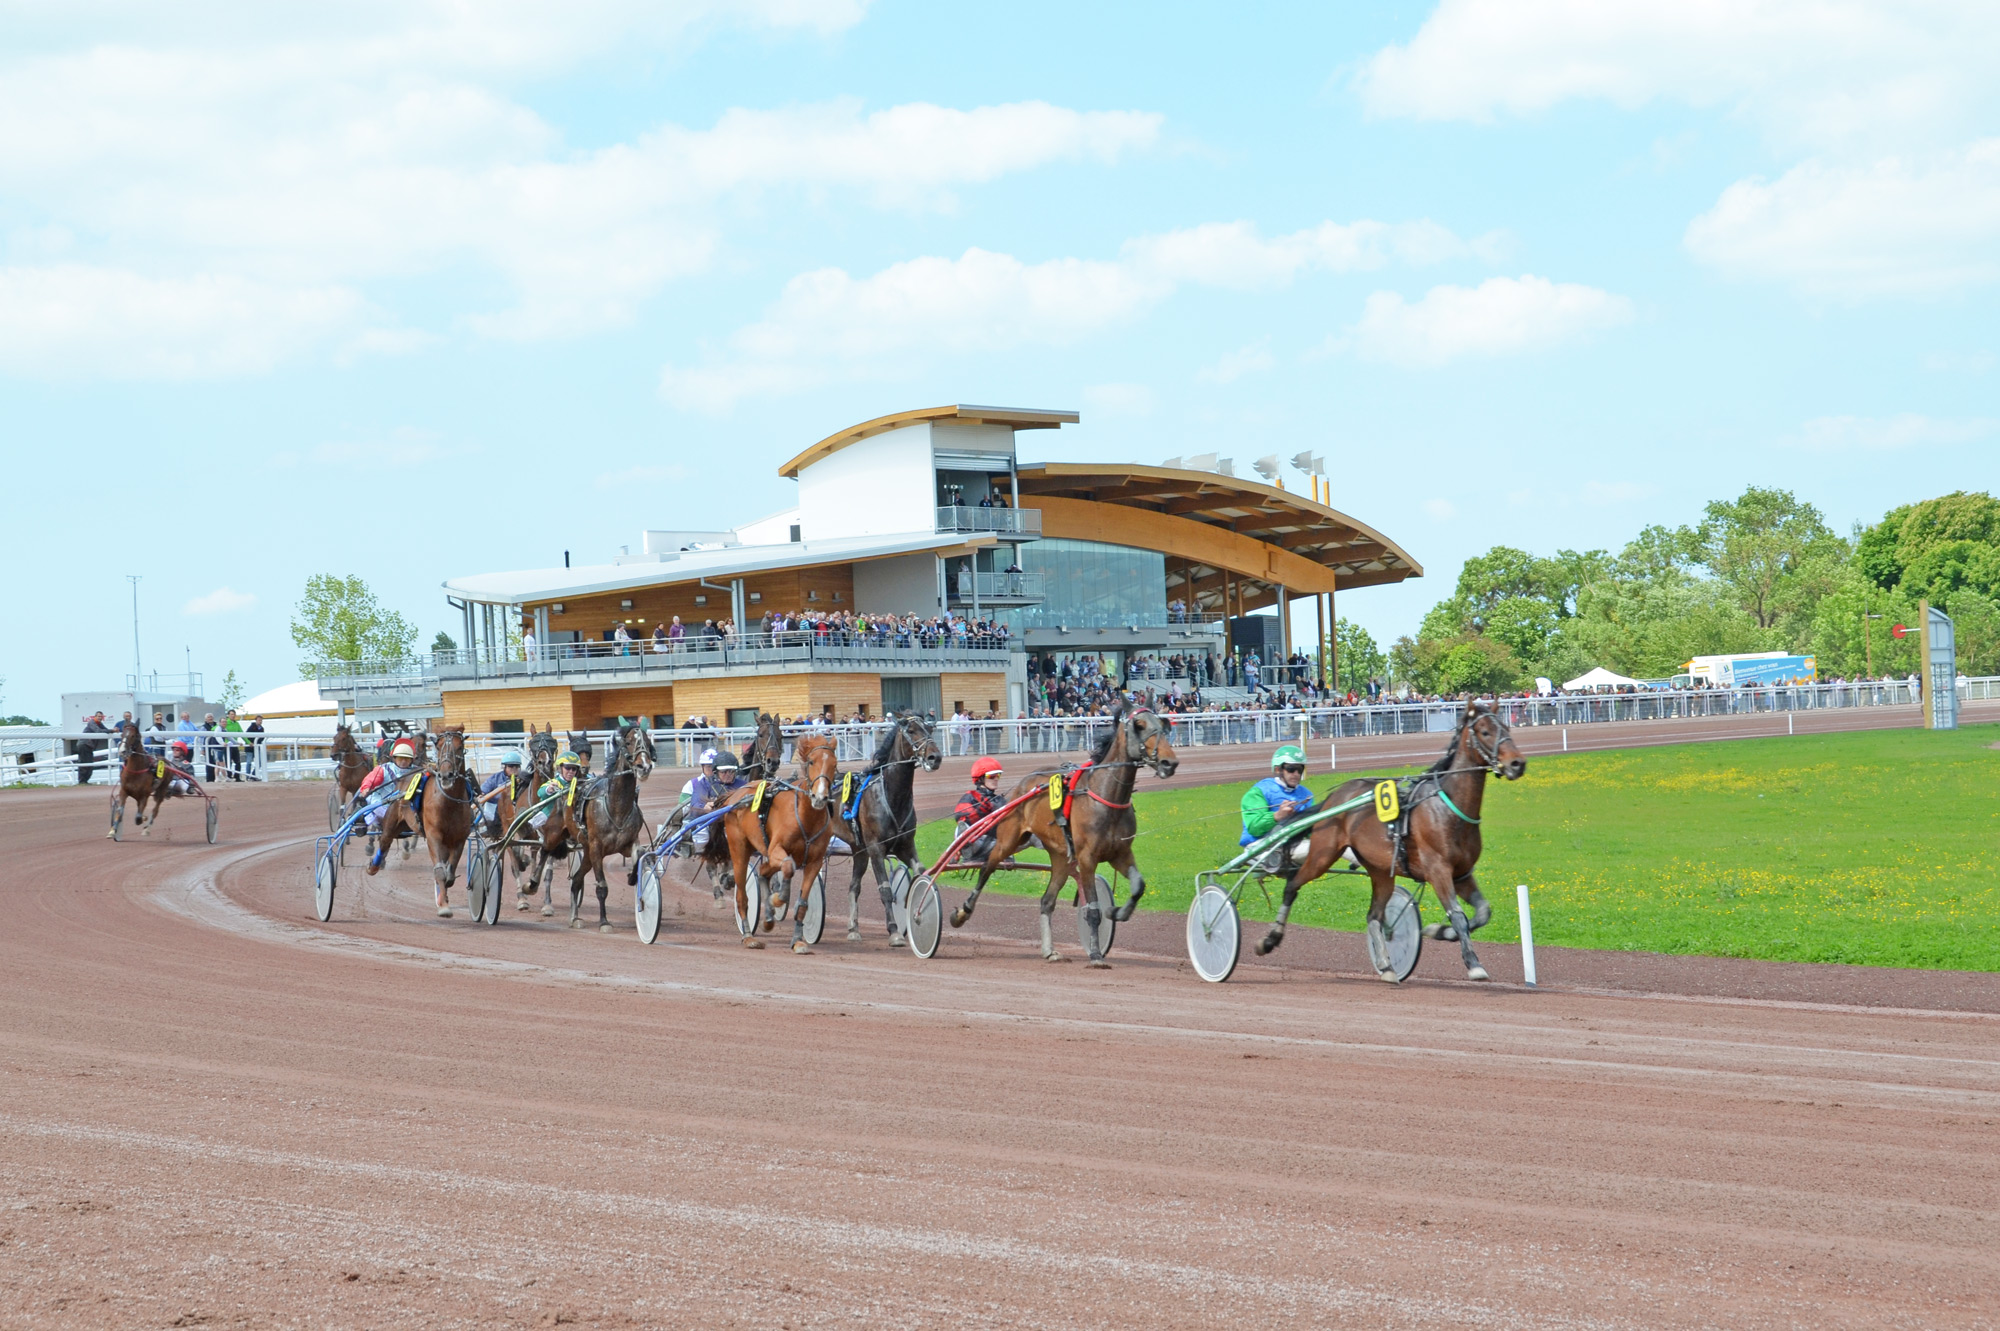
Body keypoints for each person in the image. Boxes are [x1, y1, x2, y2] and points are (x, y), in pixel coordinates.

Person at [1239, 745, 1316, 869]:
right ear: (1278, 769)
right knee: (1320, 847)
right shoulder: (1259, 791)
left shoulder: (1306, 795)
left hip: (1292, 843)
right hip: (1260, 845)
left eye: (1300, 770)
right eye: (1291, 769)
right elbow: (1254, 827)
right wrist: (1277, 816)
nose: (1296, 774)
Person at [356, 739, 421, 834]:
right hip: (382, 803)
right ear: (394, 758)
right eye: (400, 758)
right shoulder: (383, 769)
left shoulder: (417, 771)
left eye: (406, 759)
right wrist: (366, 788)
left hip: (405, 806)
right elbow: (370, 780)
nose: (403, 761)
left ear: (412, 760)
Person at [687, 749, 745, 852]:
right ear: (716, 772)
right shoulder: (704, 784)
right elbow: (694, 806)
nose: (728, 774)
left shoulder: (743, 785)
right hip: (709, 825)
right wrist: (703, 807)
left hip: (734, 823)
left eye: (731, 771)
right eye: (724, 772)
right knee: (701, 838)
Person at [954, 757, 1005, 863]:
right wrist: (982, 812)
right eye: (991, 776)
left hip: (997, 843)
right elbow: (960, 817)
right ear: (980, 778)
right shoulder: (970, 797)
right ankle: (967, 850)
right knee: (962, 829)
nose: (996, 779)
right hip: (975, 844)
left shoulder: (999, 800)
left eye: (998, 775)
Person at [530, 750, 587, 836]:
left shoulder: (580, 783)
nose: (571, 771)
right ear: (560, 768)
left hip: (573, 815)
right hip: (550, 814)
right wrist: (549, 789)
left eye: (574, 769)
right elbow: (540, 793)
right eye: (567, 768)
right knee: (530, 826)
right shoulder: (555, 782)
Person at [475, 750, 525, 834]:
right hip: (494, 806)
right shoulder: (495, 778)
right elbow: (483, 790)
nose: (514, 769)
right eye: (511, 767)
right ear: (504, 767)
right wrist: (481, 794)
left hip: (516, 807)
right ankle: (488, 827)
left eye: (516, 767)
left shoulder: (523, 779)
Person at [78, 711, 111, 785]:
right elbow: (98, 731)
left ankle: (85, 781)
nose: (100, 718)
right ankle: (82, 781)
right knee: (84, 763)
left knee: (89, 763)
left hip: (89, 746)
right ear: (95, 717)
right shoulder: (91, 722)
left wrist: (113, 731)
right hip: (84, 744)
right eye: (98, 716)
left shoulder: (100, 724)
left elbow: (106, 730)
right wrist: (112, 730)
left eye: (101, 717)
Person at [222, 710, 244, 780]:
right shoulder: (225, 722)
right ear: (228, 715)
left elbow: (242, 734)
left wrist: (248, 742)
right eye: (231, 714)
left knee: (237, 762)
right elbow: (216, 728)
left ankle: (237, 777)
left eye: (234, 714)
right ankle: (229, 776)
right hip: (227, 746)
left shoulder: (236, 723)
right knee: (228, 762)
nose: (233, 716)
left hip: (235, 745)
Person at [200, 713, 222, 783]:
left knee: (217, 762)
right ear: (206, 719)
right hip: (208, 747)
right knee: (209, 763)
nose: (210, 718)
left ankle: (216, 778)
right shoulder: (203, 727)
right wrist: (202, 749)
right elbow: (201, 739)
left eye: (211, 717)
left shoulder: (217, 726)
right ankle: (209, 779)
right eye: (209, 717)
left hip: (216, 746)